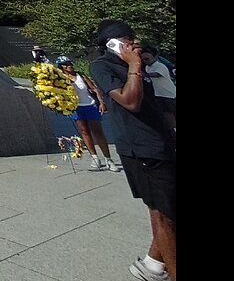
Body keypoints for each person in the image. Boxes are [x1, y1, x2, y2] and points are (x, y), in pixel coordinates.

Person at [89, 21, 176, 281]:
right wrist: (136, 66)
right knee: (166, 216)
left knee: (164, 212)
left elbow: (154, 103)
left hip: (161, 143)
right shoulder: (102, 66)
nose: (135, 44)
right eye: (129, 39)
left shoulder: (137, 65)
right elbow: (130, 101)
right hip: (141, 149)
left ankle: (152, 264)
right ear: (113, 43)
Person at [54, 56, 120, 172]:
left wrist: (101, 102)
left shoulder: (80, 75)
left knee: (98, 132)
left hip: (90, 105)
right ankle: (94, 158)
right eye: (65, 64)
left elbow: (94, 89)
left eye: (70, 63)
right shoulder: (61, 79)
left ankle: (108, 159)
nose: (69, 65)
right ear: (61, 67)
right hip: (76, 107)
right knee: (84, 132)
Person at [140, 46, 177, 125]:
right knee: (167, 115)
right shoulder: (147, 67)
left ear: (153, 57)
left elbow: (156, 74)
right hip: (159, 95)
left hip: (170, 95)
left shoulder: (160, 66)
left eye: (147, 59)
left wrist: (143, 74)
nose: (145, 61)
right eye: (143, 60)